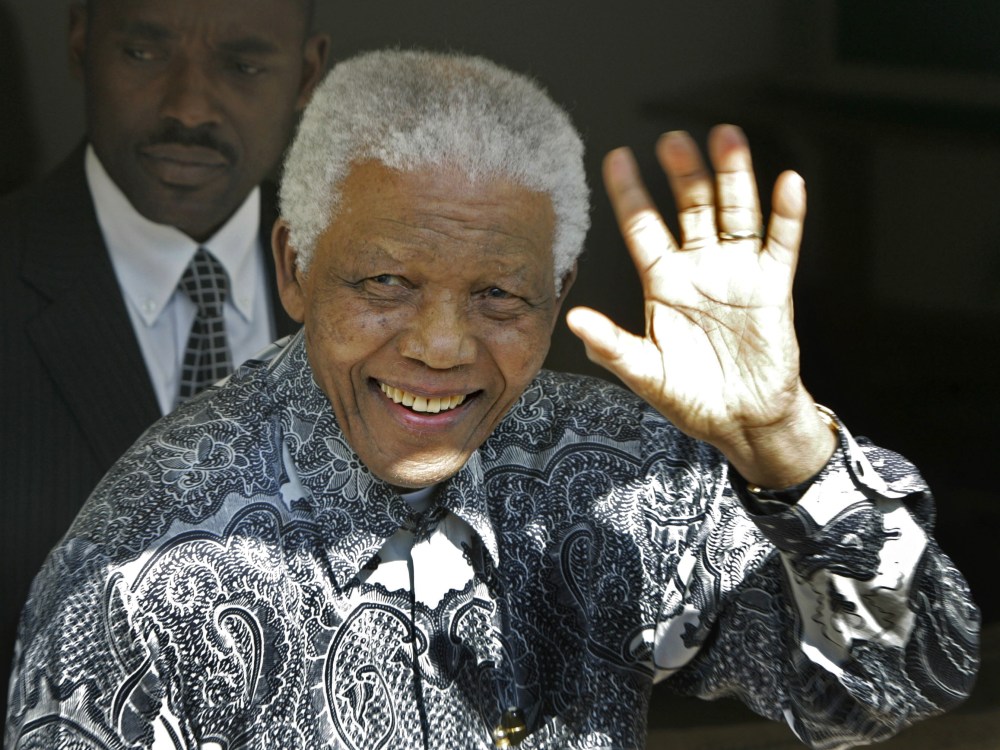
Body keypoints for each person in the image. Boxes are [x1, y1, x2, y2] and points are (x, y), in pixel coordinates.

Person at [5, 49, 979, 749]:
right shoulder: (140, 571)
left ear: (557, 301)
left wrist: (784, 443)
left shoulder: (605, 474)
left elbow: (900, 679)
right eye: (384, 283)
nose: (440, 346)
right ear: (295, 269)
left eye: (499, 296)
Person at [0, 0, 329, 710]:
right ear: (81, 43)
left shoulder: (375, 291)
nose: (188, 106)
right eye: (144, 54)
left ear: (306, 75)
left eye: (241, 65)